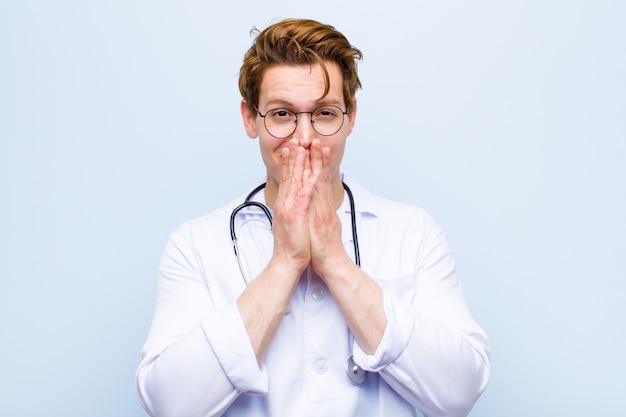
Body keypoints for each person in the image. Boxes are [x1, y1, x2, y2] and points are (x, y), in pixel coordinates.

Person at [136, 18, 490, 417]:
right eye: (283, 114)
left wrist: (334, 262)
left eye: (323, 113)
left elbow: (460, 390)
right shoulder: (195, 245)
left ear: (350, 116)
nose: (304, 137)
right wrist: (286, 261)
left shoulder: (413, 232)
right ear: (250, 119)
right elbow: (170, 404)